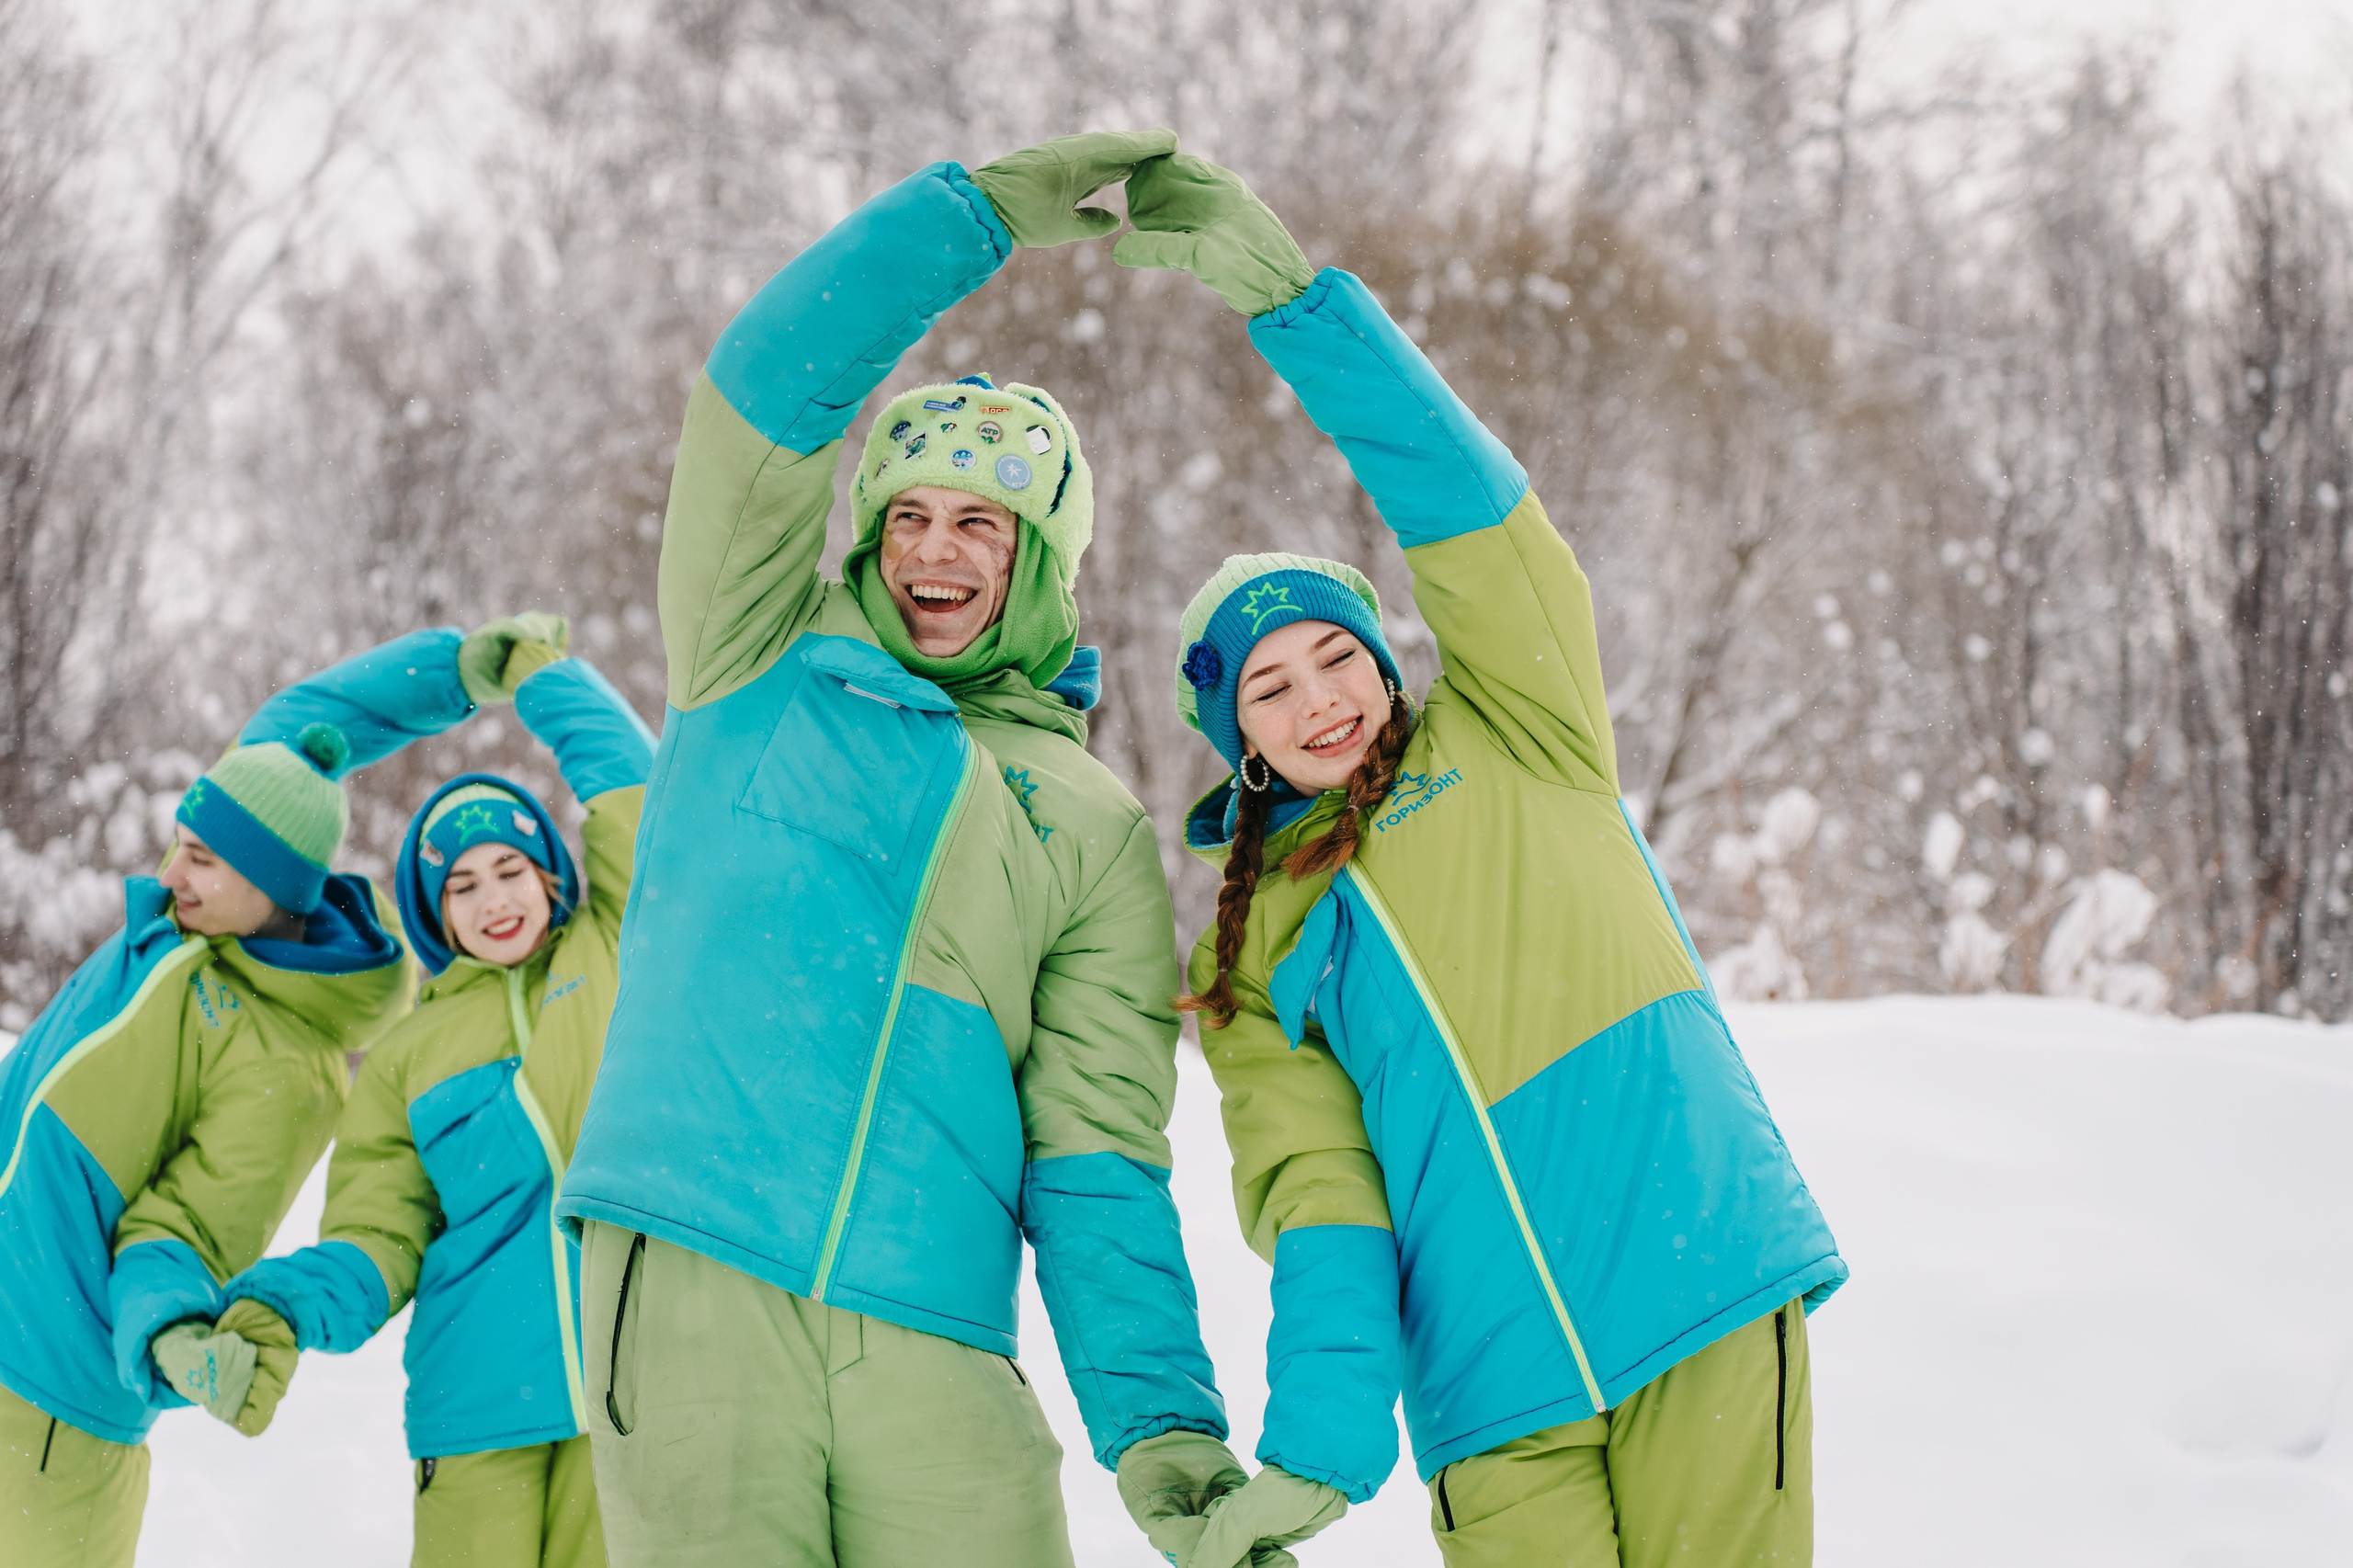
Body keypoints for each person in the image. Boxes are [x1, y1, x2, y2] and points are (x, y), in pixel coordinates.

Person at [1124, 151, 1850, 1566]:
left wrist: (1300, 314)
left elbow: (1472, 510)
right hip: (1492, 1382)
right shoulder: (1250, 943)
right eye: (1270, 689)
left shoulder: (1524, 727)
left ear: (1386, 659)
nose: (1320, 694)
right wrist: (1317, 1456)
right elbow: (1321, 1201)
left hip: (1690, 1270)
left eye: (1337, 652)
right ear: (1239, 744)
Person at [552, 131, 1250, 1568]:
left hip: (931, 1323)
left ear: (1041, 558)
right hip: (692, 1273)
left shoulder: (1095, 821)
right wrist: (971, 220)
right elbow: (759, 391)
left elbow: (1098, 1150)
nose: (938, 551)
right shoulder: (756, 651)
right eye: (912, 513)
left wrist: (1164, 1422)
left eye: (984, 523)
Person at [0, 617, 548, 1568]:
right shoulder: (200, 903)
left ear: (276, 885)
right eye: (177, 844)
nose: (170, 875)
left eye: (201, 860)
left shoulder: (287, 1067)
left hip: (49, 1402)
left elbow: (188, 1230)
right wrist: (458, 669)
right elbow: (315, 720)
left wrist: (171, 1331)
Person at [210, 623, 652, 1568]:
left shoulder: (612, 949)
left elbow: (635, 793)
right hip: (474, 1401)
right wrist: (291, 1302)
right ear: (434, 913)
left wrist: (547, 680)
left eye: (509, 868)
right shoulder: (410, 1052)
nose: (493, 897)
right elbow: (380, 1232)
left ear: (548, 876)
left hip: (634, 1393)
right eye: (460, 883)